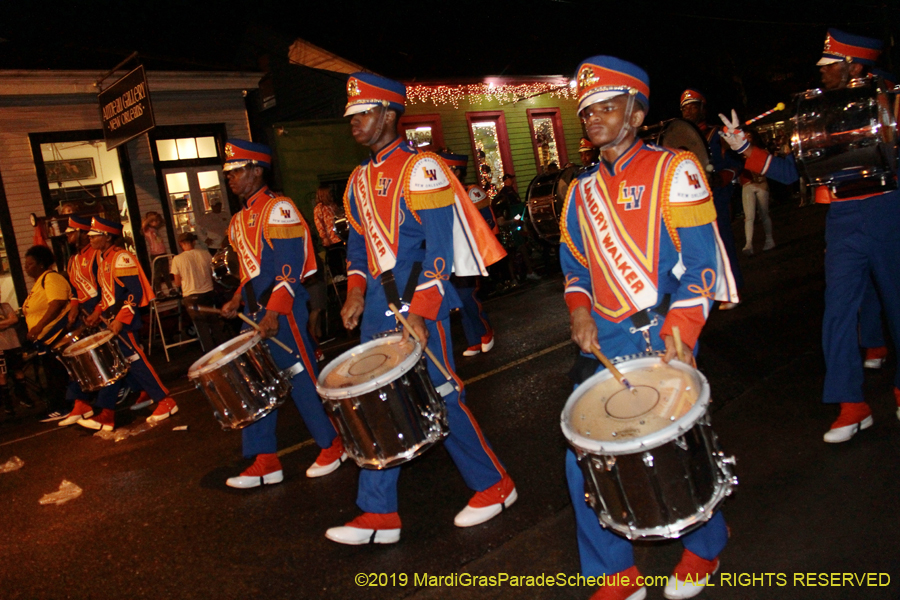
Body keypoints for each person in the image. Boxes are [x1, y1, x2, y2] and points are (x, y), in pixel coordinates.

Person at [562, 56, 739, 599]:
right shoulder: (579, 191)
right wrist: (579, 311)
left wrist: (682, 332)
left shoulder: (674, 171)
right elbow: (575, 268)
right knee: (585, 455)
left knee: (677, 448)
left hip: (664, 335)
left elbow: (703, 265)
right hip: (607, 344)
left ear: (636, 114)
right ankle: (614, 572)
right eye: (587, 109)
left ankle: (706, 547)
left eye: (606, 107)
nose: (593, 117)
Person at [328, 72, 514, 545]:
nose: (356, 123)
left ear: (390, 115)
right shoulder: (356, 180)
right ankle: (378, 514)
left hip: (418, 304)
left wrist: (424, 309)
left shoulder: (422, 168)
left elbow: (440, 248)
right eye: (352, 116)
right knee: (378, 404)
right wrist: (353, 291)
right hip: (375, 308)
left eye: (364, 113)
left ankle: (495, 485)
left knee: (441, 397)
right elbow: (357, 246)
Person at [717, 28, 900, 443]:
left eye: (830, 67)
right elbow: (793, 171)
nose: (823, 75)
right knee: (837, 312)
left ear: (854, 66)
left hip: (888, 210)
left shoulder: (889, 99)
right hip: (842, 219)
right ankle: (850, 404)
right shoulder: (817, 112)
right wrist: (746, 149)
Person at [219, 139, 345, 488]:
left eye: (237, 171)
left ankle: (333, 444)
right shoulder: (240, 219)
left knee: (302, 378)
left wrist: (274, 312)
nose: (230, 178)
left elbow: (287, 269)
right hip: (258, 312)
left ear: (257, 171)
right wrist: (236, 300)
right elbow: (251, 269)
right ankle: (265, 460)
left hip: (283, 311)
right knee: (259, 385)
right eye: (228, 173)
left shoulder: (279, 209)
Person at [77, 217, 178, 431]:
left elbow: (134, 292)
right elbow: (109, 294)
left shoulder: (121, 257)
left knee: (137, 363)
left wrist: (121, 320)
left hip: (124, 323)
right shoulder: (104, 259)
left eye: (94, 236)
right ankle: (107, 414)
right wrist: (98, 313)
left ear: (106, 237)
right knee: (117, 367)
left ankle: (166, 401)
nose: (90, 239)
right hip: (111, 322)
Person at [680, 88, 744, 309]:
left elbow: (737, 162)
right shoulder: (679, 137)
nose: (688, 110)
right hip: (691, 198)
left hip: (716, 194)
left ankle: (732, 290)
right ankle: (708, 290)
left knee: (723, 241)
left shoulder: (718, 133)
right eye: (685, 107)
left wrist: (725, 176)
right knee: (697, 246)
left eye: (693, 106)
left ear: (703, 108)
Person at [438, 151, 496, 357]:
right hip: (449, 256)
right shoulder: (440, 195)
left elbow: (487, 222)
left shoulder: (470, 192)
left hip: (469, 255)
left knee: (467, 295)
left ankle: (485, 331)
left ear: (455, 171)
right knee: (457, 299)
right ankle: (473, 340)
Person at [22, 245, 73, 421]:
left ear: (42, 264)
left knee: (57, 372)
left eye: (30, 264)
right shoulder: (38, 283)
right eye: (25, 264)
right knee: (51, 373)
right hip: (44, 338)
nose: (26, 268)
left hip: (55, 335)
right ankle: (58, 405)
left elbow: (57, 303)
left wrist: (39, 326)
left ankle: (63, 406)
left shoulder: (50, 278)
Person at [170, 231, 225, 352]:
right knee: (214, 324)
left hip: (191, 295)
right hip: (208, 292)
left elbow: (178, 282)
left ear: (180, 244)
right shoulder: (205, 254)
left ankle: (209, 353)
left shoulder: (177, 259)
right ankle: (224, 349)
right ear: (194, 242)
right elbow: (213, 273)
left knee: (202, 328)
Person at [0, 290, 28, 416]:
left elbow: (14, 319)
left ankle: (23, 396)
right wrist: (8, 321)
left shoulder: (5, 306)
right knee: (2, 374)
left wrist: (5, 323)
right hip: (1, 347)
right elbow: (10, 320)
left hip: (13, 344)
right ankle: (8, 404)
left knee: (18, 370)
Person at [739, 161, 775, 254]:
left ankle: (768, 239)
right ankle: (749, 243)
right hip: (750, 182)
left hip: (757, 181)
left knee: (762, 214)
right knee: (751, 216)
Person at [312, 184, 347, 281]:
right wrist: (324, 237)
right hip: (330, 238)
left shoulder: (333, 205)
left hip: (339, 235)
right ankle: (337, 275)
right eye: (329, 193)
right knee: (334, 257)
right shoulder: (319, 208)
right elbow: (319, 224)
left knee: (342, 254)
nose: (331, 194)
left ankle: (344, 272)